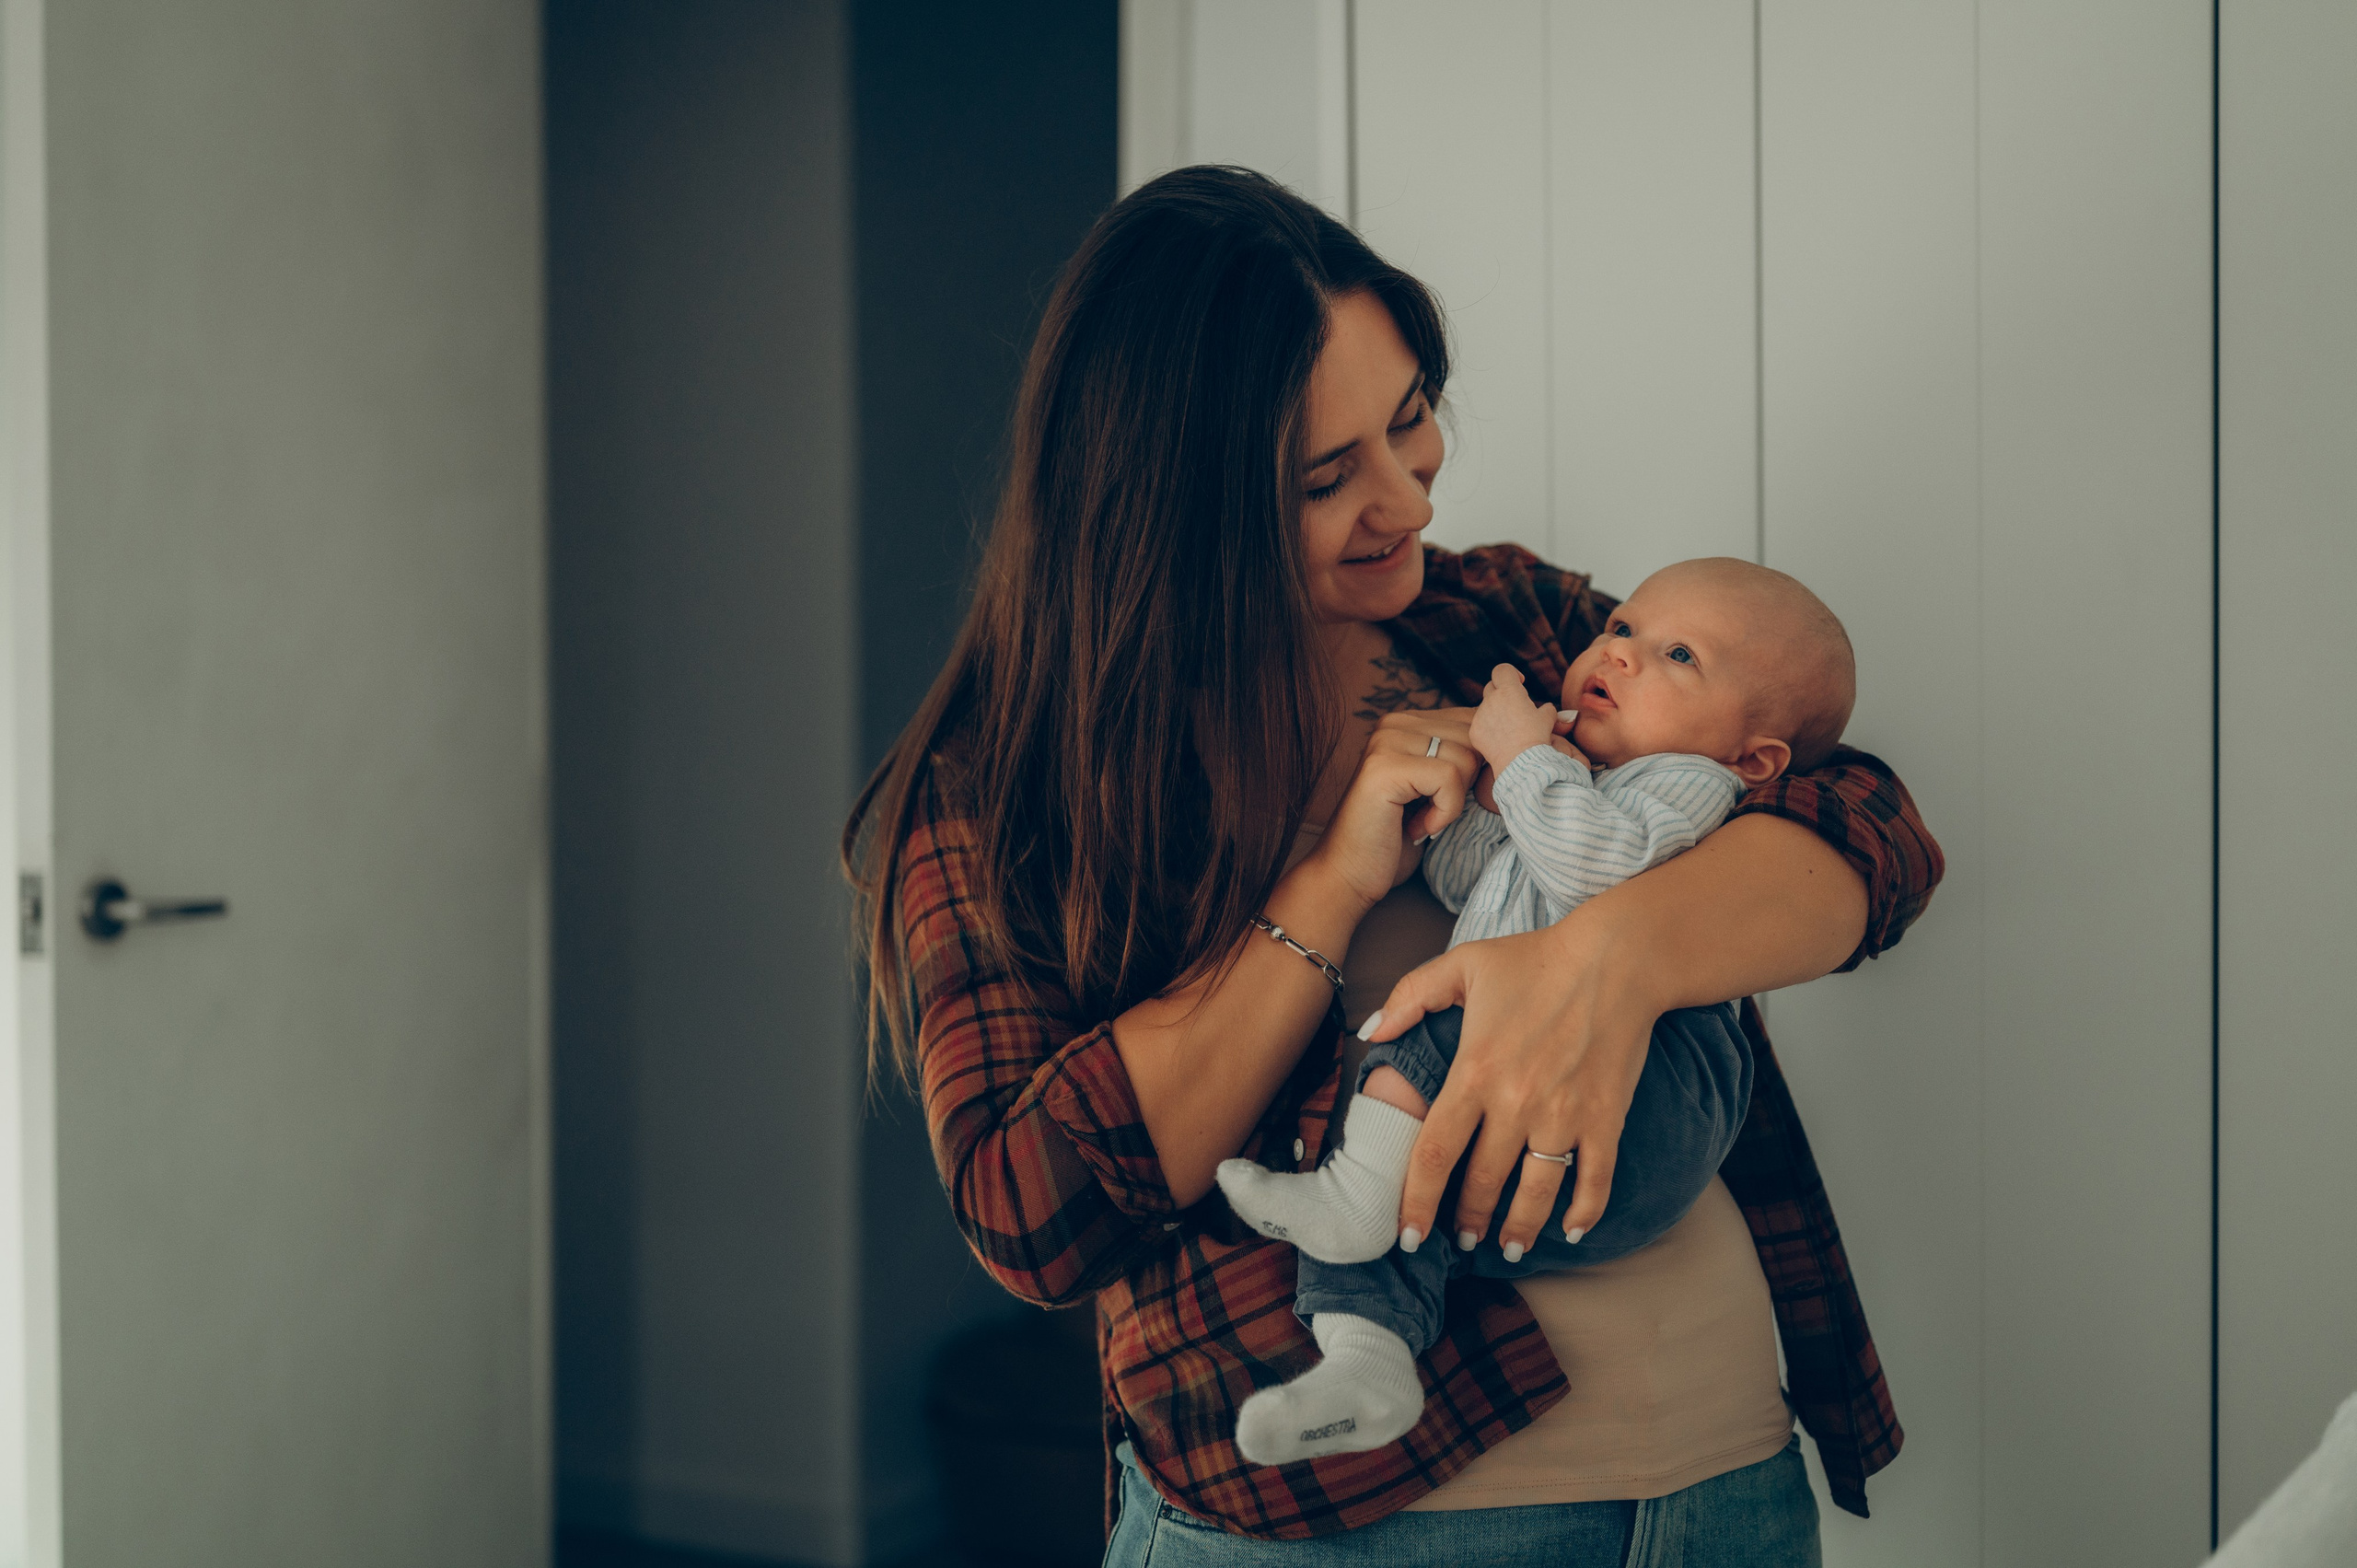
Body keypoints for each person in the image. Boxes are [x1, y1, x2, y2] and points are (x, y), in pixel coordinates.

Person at [844, 167, 1943, 1564]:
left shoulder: (1510, 624)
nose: (1407, 493)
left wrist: (1606, 959)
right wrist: (1331, 880)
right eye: (1324, 476)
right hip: (1351, 1536)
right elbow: (1030, 1212)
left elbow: (1865, 821)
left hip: (1724, 1486)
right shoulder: (1015, 788)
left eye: (1412, 415)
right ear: (1174, 502)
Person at [1217, 559, 1857, 1468]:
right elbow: (1467, 881)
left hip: (1653, 1091)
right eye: (1622, 628)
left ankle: (1353, 1201)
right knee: (1397, 1191)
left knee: (1428, 1022)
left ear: (1749, 756)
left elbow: (1592, 867)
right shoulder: (1576, 780)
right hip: (1518, 1116)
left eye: (1677, 653)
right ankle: (1367, 1363)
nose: (1621, 654)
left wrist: (1523, 759)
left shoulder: (1687, 782)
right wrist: (1478, 803)